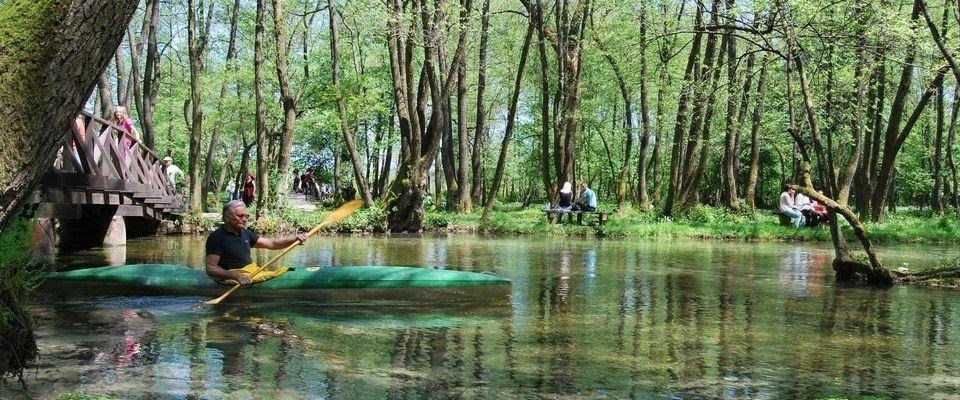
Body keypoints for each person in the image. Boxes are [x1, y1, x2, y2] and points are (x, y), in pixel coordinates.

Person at [205, 200, 308, 285]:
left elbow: (272, 244)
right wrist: (236, 276)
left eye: (246, 216)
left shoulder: (245, 233)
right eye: (240, 216)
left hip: (249, 272)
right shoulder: (217, 237)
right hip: (232, 277)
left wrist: (294, 239)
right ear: (227, 217)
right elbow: (211, 268)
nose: (245, 219)